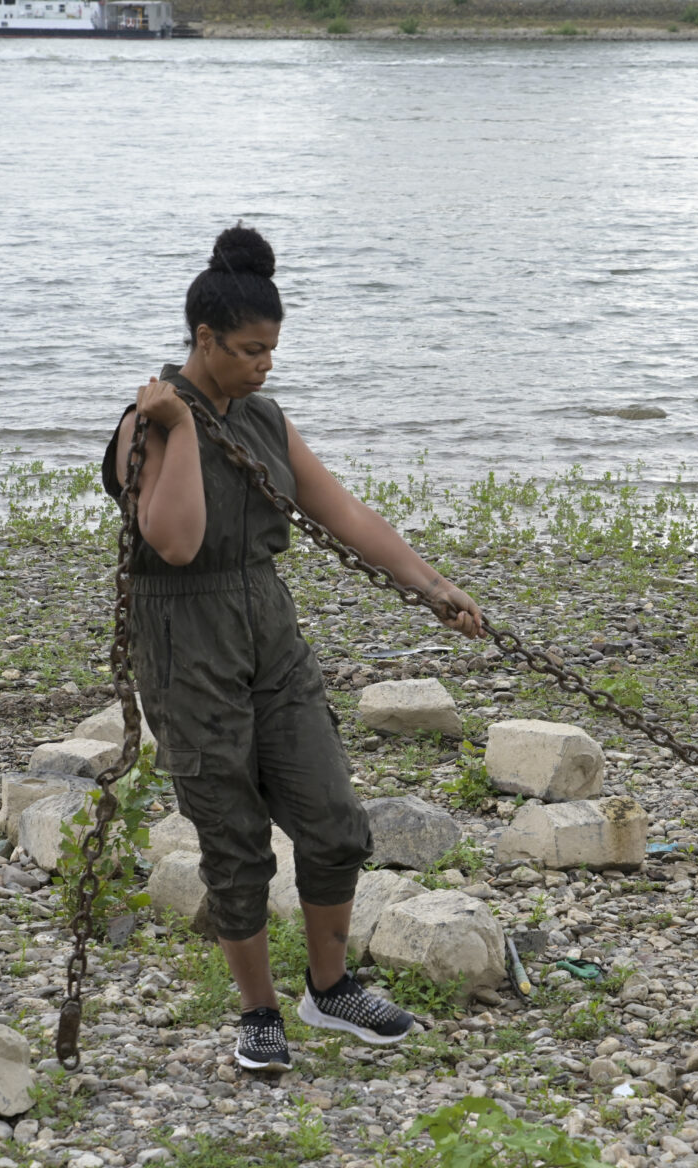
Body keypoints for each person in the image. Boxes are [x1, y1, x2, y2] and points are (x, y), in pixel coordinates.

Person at [102, 224, 483, 1073]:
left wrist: (432, 585)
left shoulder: (266, 419)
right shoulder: (144, 424)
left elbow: (345, 514)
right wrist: (181, 429)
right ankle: (258, 1012)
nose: (263, 365)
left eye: (272, 350)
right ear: (203, 340)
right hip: (184, 639)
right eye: (248, 351)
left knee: (332, 817)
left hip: (267, 629)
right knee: (232, 835)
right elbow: (175, 540)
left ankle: (330, 988)